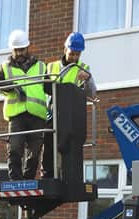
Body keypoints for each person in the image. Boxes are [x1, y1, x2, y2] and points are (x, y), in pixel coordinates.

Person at [0, 29, 49, 180]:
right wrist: (12, 86)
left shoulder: (41, 66)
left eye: (22, 49)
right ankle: (16, 180)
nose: (19, 53)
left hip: (37, 115)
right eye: (16, 50)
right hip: (16, 115)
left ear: (28, 48)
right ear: (12, 49)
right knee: (15, 148)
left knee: (35, 151)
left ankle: (28, 179)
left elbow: (51, 88)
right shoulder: (5, 67)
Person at [42, 31, 97, 179]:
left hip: (72, 117)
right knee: (49, 142)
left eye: (77, 55)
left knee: (69, 145)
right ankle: (48, 175)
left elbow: (91, 94)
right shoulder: (51, 67)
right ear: (65, 50)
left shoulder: (83, 68)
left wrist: (88, 79)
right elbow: (44, 89)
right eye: (72, 53)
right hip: (53, 113)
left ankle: (68, 177)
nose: (74, 58)